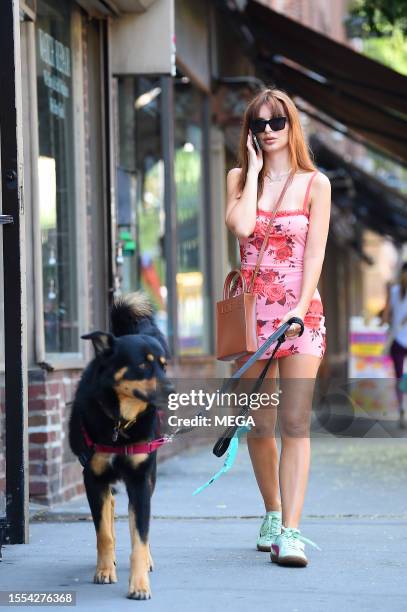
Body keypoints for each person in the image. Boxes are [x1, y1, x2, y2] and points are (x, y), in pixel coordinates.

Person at [225, 87, 331, 567]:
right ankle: (271, 511)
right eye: (258, 125)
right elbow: (242, 228)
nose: (267, 132)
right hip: (253, 319)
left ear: (292, 126)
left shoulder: (316, 184)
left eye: (276, 123)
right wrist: (251, 173)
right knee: (260, 425)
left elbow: (315, 255)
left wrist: (300, 306)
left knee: (294, 422)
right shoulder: (238, 179)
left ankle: (291, 530)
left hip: (300, 316)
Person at [380, 265, 407, 429]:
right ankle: (403, 409)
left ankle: (401, 409)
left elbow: (385, 317)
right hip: (398, 340)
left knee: (400, 377)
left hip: (396, 340)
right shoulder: (395, 290)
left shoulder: (394, 290)